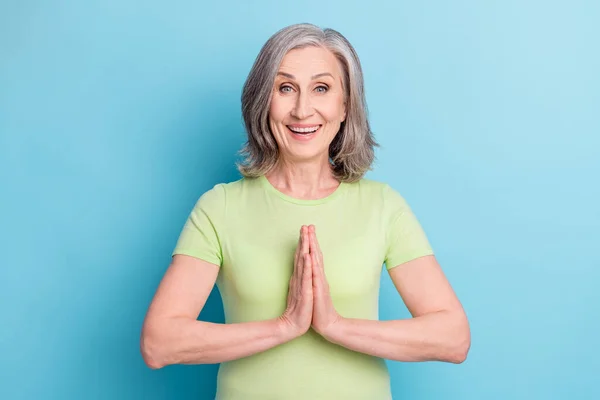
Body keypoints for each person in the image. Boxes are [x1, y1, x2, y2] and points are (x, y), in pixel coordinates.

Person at [140, 23, 470, 399]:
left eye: (321, 88)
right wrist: (284, 326)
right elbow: (159, 342)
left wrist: (335, 326)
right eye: (285, 88)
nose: (302, 109)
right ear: (264, 101)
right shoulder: (220, 207)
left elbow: (453, 337)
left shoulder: (383, 206)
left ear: (345, 106)